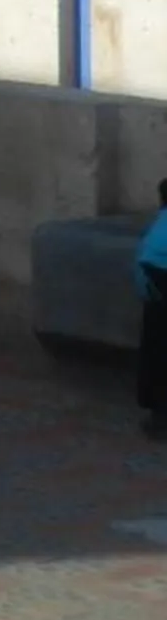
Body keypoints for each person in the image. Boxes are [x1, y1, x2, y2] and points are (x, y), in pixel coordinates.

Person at [138, 180, 167, 435]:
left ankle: (158, 417)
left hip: (155, 296)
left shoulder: (158, 226)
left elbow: (141, 266)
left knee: (156, 353)